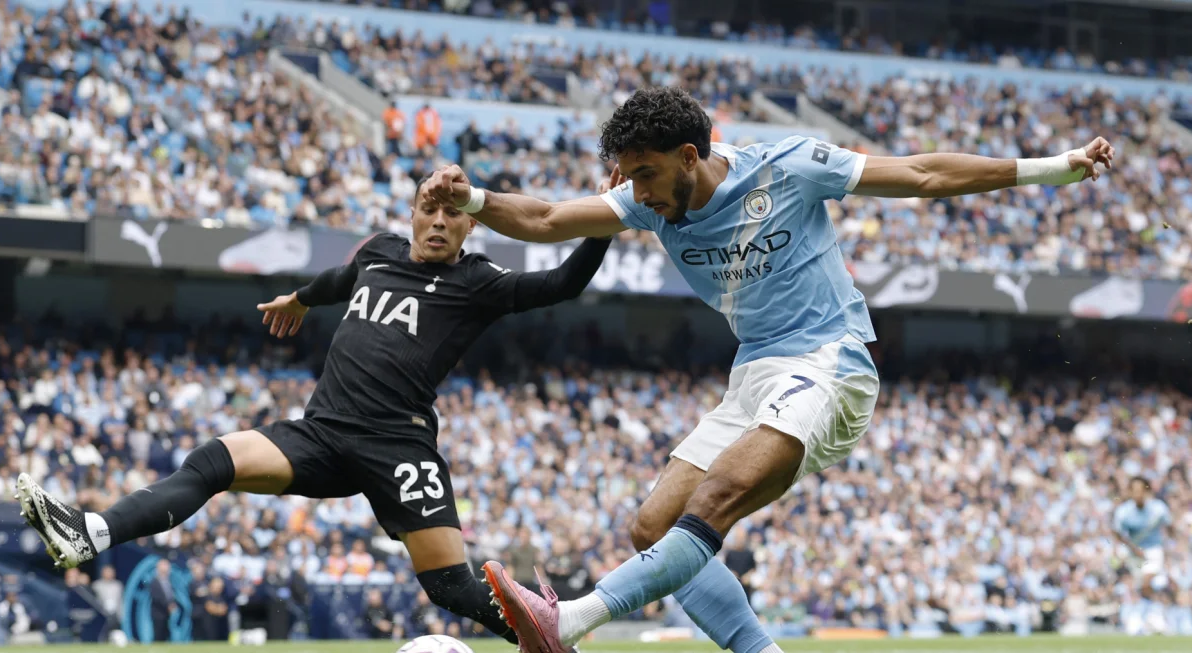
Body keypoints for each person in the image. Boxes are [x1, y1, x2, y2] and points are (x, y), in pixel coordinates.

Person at [420, 85, 1115, 653]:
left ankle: (569, 619)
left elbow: (923, 173)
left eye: (647, 173)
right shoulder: (646, 202)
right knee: (653, 525)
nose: (638, 191)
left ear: (689, 155)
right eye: (629, 176)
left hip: (829, 361)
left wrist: (1054, 166)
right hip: (753, 373)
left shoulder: (787, 165)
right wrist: (473, 200)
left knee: (714, 496)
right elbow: (544, 218)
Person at [15, 181, 613, 647]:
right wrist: (300, 299)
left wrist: (608, 223)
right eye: (428, 212)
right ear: (410, 216)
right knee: (213, 459)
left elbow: (561, 283)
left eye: (452, 215)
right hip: (321, 434)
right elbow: (342, 278)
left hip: (396, 447)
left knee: (451, 587)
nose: (438, 223)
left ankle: (556, 640)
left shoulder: (476, 280)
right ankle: (91, 533)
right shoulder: (379, 252)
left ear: (469, 223)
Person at [1113, 476, 1172, 594]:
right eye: (1134, 491)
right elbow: (1118, 534)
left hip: (1153, 549)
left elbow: (1170, 529)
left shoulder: (1158, 508)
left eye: (1141, 490)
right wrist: (1134, 549)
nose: (1138, 494)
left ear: (1147, 491)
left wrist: (1169, 552)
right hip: (1133, 550)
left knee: (1147, 583)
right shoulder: (1123, 512)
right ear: (1130, 492)